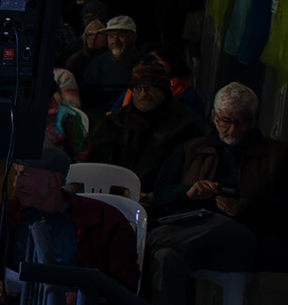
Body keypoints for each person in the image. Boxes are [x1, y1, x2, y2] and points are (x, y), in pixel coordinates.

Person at [144, 82, 288, 305]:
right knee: (166, 258)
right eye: (225, 121)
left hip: (245, 241)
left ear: (254, 120)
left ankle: (145, 242)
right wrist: (187, 193)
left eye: (242, 122)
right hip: (190, 238)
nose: (233, 130)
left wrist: (246, 207)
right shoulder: (192, 149)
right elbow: (160, 195)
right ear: (213, 116)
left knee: (223, 225)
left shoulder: (277, 154)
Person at [0, 144, 138, 305]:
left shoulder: (104, 220)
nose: (17, 184)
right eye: (16, 174)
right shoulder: (8, 214)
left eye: (26, 175)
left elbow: (124, 285)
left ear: (54, 180)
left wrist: (81, 297)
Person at [87, 59, 204, 201]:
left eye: (149, 88)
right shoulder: (113, 123)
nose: (143, 94)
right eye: (138, 88)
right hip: (116, 198)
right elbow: (98, 168)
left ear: (163, 90)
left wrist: (159, 197)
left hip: (165, 200)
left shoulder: (186, 123)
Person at [78, 14, 141, 116]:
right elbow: (86, 98)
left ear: (132, 37)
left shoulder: (143, 64)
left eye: (120, 36)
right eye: (111, 36)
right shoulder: (97, 65)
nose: (115, 41)